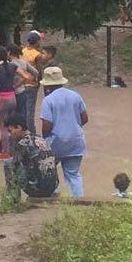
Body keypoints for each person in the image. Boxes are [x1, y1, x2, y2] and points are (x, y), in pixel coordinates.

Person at [39, 66, 89, 198]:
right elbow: (85, 118)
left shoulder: (48, 100)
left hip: (55, 142)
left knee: (49, 170)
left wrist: (45, 140)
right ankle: (78, 199)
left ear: (47, 87)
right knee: (73, 174)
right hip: (76, 141)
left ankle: (52, 194)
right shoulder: (75, 95)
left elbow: (47, 125)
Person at [3, 115, 59, 200]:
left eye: (10, 131)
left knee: (9, 163)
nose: (9, 134)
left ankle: (13, 199)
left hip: (38, 189)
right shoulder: (40, 138)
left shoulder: (23, 143)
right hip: (52, 187)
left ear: (19, 127)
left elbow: (15, 165)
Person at [0, 46, 21, 155]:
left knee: (3, 126)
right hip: (12, 97)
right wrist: (15, 85)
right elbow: (26, 76)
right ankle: (13, 149)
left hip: (2, 97)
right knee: (12, 124)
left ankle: (5, 152)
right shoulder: (13, 66)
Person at [11, 44, 39, 131]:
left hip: (12, 92)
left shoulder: (10, 64)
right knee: (23, 113)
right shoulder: (23, 63)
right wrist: (29, 80)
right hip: (22, 90)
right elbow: (36, 72)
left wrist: (16, 85)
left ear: (9, 52)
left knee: (13, 115)